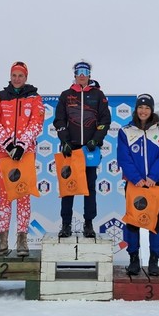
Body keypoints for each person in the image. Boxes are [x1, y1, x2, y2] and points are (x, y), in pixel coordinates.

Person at [0, 61, 45, 257]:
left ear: (26, 77)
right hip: (3, 154)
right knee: (4, 195)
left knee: (23, 194)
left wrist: (21, 145)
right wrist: (9, 145)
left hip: (25, 153)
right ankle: (2, 239)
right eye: (14, 75)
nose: (17, 78)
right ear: (10, 77)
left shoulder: (34, 98)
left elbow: (37, 123)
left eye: (20, 75)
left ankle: (22, 239)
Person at [117, 93, 159, 276]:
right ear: (136, 109)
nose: (143, 111)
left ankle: (154, 259)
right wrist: (136, 178)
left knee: (155, 222)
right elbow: (123, 157)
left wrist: (152, 176)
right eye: (140, 107)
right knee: (133, 222)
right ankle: (134, 258)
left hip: (154, 184)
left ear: (152, 110)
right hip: (134, 184)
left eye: (147, 108)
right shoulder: (125, 131)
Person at [53, 60, 111, 238]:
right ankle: (66, 224)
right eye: (79, 71)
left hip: (90, 150)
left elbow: (105, 121)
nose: (82, 75)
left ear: (89, 75)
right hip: (71, 149)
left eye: (85, 71)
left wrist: (96, 140)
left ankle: (88, 224)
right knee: (68, 187)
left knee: (90, 188)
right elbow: (59, 120)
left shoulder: (98, 95)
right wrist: (65, 141)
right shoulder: (66, 95)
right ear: (75, 74)